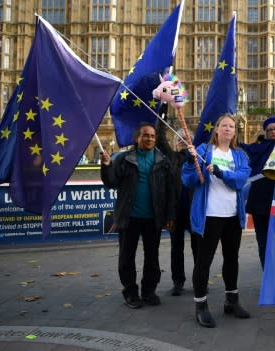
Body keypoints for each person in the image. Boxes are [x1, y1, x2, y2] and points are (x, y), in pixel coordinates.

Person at [183, 113, 252, 328]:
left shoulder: (239, 155)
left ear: (235, 131)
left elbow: (241, 180)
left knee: (232, 260)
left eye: (232, 126)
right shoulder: (203, 151)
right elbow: (188, 179)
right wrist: (192, 162)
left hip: (232, 216)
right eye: (224, 125)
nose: (228, 129)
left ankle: (231, 301)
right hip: (209, 216)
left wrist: (221, 173)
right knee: (204, 261)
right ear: (217, 129)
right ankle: (201, 306)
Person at [100, 123, 176, 309]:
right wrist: (106, 166)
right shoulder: (124, 158)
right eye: (145, 135)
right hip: (129, 217)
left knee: (152, 257)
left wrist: (170, 215)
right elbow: (111, 182)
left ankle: (149, 291)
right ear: (137, 138)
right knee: (127, 257)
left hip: (153, 217)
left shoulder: (162, 160)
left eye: (152, 136)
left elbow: (170, 191)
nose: (149, 138)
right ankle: (131, 292)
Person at [242, 116, 275, 269]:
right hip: (260, 202)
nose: (273, 132)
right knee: (264, 242)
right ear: (265, 132)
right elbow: (239, 148)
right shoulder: (257, 148)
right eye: (270, 130)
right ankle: (267, 273)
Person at [156, 116, 198, 296]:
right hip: (175, 212)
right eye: (178, 139)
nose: (181, 141)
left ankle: (199, 281)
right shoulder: (171, 157)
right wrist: (162, 113)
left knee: (198, 249)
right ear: (174, 143)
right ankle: (178, 282)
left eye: (185, 139)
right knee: (176, 250)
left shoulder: (198, 160)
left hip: (194, 211)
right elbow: (160, 139)